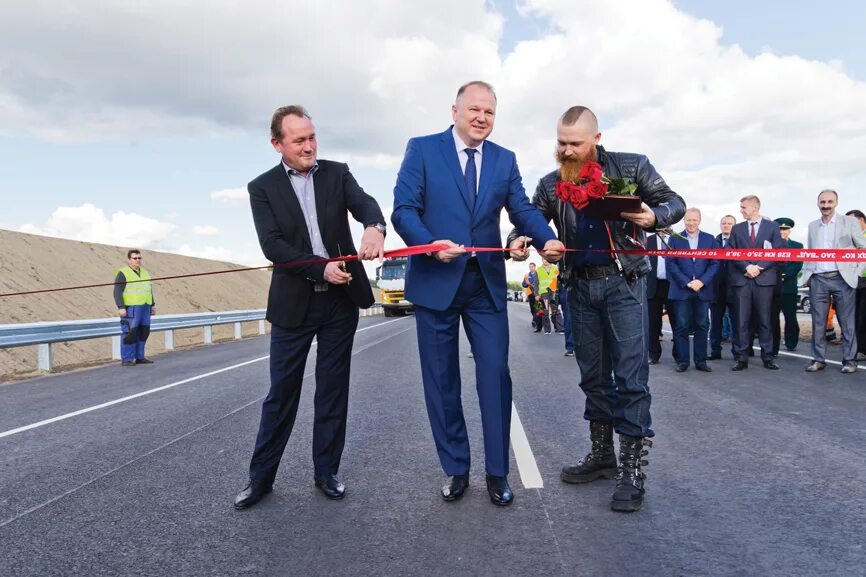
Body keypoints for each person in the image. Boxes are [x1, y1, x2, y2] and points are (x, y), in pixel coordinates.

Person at [391, 81, 564, 507]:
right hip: (436, 282)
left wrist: (546, 239)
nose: (481, 118)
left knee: (494, 376)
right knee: (442, 381)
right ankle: (455, 468)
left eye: (489, 111)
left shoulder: (505, 159)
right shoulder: (422, 149)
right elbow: (403, 209)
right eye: (474, 109)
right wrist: (430, 243)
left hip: (485, 286)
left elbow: (521, 208)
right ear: (455, 111)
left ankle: (497, 472)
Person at [508, 105, 686, 512]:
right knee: (593, 377)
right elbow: (531, 217)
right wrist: (521, 238)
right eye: (561, 142)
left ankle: (631, 469)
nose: (566, 150)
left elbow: (673, 201)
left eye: (575, 143)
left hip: (624, 283)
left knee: (630, 377)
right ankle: (602, 454)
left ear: (597, 139)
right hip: (579, 288)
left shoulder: (631, 166)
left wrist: (653, 214)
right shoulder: (552, 183)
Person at [234, 105, 387, 510]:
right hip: (293, 304)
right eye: (299, 140)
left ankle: (326, 473)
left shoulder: (338, 172)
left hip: (341, 303)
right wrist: (321, 269)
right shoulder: (261, 187)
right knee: (281, 393)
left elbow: (367, 204)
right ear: (277, 144)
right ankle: (260, 480)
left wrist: (374, 227)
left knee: (332, 391)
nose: (309, 146)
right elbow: (274, 247)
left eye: (312, 137)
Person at [801, 190, 866, 374]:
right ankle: (818, 359)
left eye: (830, 201)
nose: (826, 205)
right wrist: (807, 276)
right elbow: (811, 252)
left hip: (842, 278)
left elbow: (863, 248)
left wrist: (856, 272)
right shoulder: (813, 226)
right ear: (817, 203)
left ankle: (849, 360)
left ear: (836, 203)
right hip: (818, 279)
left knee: (847, 322)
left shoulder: (850, 223)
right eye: (822, 202)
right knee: (818, 322)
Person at [727, 195, 784, 371]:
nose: (741, 210)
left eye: (744, 207)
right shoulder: (737, 229)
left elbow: (778, 251)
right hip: (742, 280)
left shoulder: (772, 227)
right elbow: (730, 251)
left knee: (765, 320)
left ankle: (768, 356)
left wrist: (759, 267)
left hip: (764, 280)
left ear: (755, 207)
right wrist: (746, 267)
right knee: (741, 321)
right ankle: (741, 357)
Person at [666, 208, 719, 372]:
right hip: (682, 290)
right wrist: (687, 282)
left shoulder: (710, 239)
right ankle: (683, 362)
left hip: (703, 290)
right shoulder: (675, 239)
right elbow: (670, 263)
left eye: (694, 220)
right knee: (681, 326)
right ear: (684, 221)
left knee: (702, 325)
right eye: (688, 220)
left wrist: (702, 281)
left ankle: (701, 361)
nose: (691, 223)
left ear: (700, 220)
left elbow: (715, 263)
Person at [114, 249, 156, 366]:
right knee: (130, 332)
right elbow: (117, 291)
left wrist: (152, 305)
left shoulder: (145, 272)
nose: (137, 260)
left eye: (139, 258)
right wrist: (121, 307)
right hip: (131, 308)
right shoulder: (123, 273)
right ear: (129, 260)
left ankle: (140, 357)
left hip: (145, 307)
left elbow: (149, 289)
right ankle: (127, 359)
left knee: (143, 332)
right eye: (135, 258)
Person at [770, 218, 803, 353]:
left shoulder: (797, 246)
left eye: (785, 229)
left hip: (789, 287)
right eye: (780, 229)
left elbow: (797, 265)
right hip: (772, 287)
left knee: (790, 318)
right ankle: (773, 346)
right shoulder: (769, 245)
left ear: (789, 231)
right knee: (772, 318)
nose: (782, 232)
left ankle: (791, 342)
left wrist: (784, 276)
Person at [645, 231, 676, 364]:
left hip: (673, 285)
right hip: (653, 286)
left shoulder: (677, 239)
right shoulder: (648, 240)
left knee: (677, 322)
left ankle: (679, 355)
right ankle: (653, 354)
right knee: (653, 323)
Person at [709, 215, 736, 360]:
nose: (726, 226)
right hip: (716, 288)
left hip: (734, 288)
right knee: (716, 321)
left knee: (736, 321)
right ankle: (715, 350)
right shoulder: (713, 241)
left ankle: (738, 352)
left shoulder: (739, 241)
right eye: (724, 223)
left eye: (730, 223)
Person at [844, 209, 866, 360]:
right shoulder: (848, 238)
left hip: (864, 280)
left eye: (852, 221)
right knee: (855, 315)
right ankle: (857, 347)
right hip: (853, 281)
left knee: (862, 316)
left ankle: (862, 349)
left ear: (862, 221)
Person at [537, 258, 564, 334]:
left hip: (553, 293)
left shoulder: (555, 269)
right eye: (543, 259)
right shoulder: (538, 270)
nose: (545, 260)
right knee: (545, 312)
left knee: (556, 311)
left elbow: (559, 280)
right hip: (544, 293)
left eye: (546, 259)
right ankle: (547, 330)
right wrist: (536, 294)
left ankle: (560, 328)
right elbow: (536, 283)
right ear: (541, 260)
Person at [522, 263, 542, 332]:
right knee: (532, 310)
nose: (530, 268)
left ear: (535, 267)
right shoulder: (527, 275)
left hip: (537, 294)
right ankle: (536, 321)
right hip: (530, 295)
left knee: (538, 309)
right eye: (529, 267)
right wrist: (527, 284)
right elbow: (523, 284)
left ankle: (537, 324)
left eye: (532, 267)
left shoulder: (538, 274)